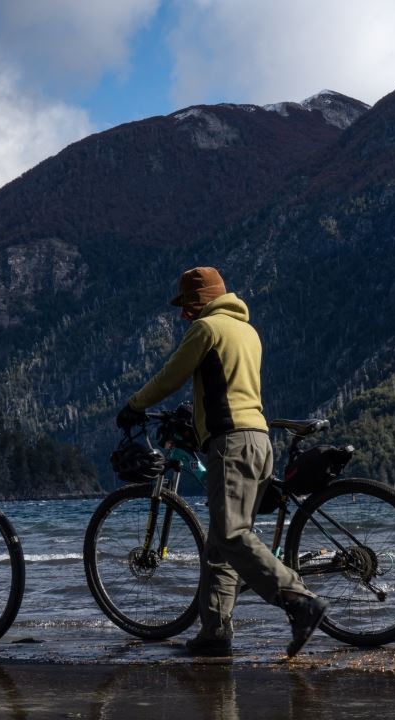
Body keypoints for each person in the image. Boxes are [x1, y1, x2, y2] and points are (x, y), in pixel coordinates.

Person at [116, 267, 328, 658]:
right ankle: (215, 632)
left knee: (231, 533)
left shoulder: (207, 329)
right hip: (259, 440)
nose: (183, 315)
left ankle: (299, 601)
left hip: (232, 443)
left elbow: (170, 376)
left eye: (186, 305)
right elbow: (225, 388)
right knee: (219, 542)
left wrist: (134, 406)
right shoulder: (247, 331)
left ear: (201, 300)